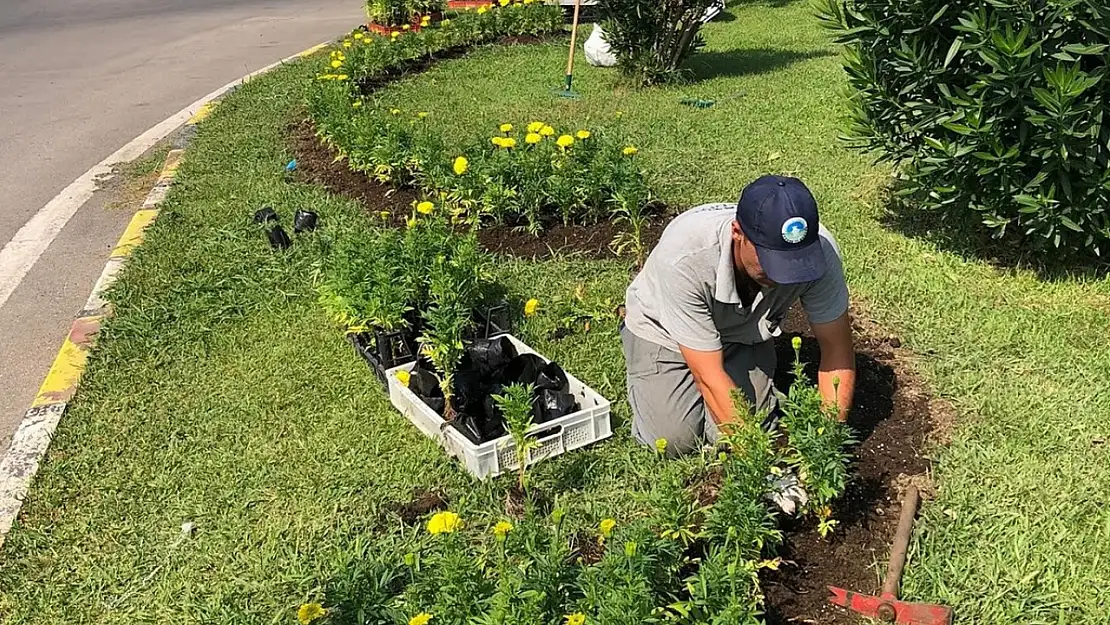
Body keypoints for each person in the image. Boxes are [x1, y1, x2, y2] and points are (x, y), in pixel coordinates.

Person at [621, 175, 855, 457]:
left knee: (750, 427)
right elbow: (707, 374)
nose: (784, 276)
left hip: (741, 333)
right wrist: (762, 467)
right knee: (674, 441)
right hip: (664, 330)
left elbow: (836, 348)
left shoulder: (821, 254)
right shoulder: (686, 256)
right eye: (772, 261)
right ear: (737, 232)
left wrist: (826, 443)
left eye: (796, 263)